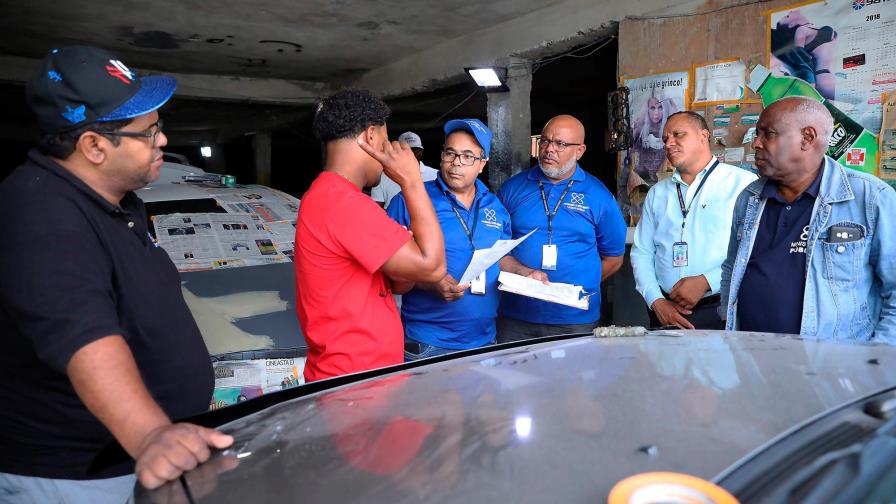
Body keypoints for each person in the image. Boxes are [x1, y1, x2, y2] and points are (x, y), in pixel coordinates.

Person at [0, 46, 232, 498]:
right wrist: (149, 434)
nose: (163, 141)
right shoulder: (39, 212)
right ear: (94, 146)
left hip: (124, 464)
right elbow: (82, 336)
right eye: (148, 133)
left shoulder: (116, 200)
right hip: (74, 477)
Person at [294, 90, 446, 382]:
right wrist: (412, 180)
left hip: (364, 375)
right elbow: (434, 266)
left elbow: (401, 282)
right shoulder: (342, 203)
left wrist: (409, 257)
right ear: (371, 135)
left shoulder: (335, 197)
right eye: (387, 139)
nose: (389, 148)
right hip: (353, 381)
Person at [721, 96, 896, 341]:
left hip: (835, 368)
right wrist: (725, 315)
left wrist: (875, 358)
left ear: (807, 138)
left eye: (767, 134)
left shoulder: (870, 198)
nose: (756, 144)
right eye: (756, 134)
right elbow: (731, 267)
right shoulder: (749, 198)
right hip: (750, 361)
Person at [496, 114, 627, 342]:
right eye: (544, 141)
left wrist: (575, 288)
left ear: (580, 151)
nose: (549, 149)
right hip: (516, 315)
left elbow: (614, 259)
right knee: (514, 377)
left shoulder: (599, 196)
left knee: (572, 378)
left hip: (574, 319)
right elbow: (496, 248)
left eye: (561, 144)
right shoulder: (512, 189)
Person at [387, 119, 509, 360]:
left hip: (484, 341)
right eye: (450, 153)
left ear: (482, 164)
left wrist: (526, 273)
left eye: (467, 156)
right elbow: (390, 270)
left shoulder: (495, 206)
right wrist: (432, 281)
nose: (456, 163)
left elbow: (501, 257)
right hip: (428, 344)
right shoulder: (411, 200)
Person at [631, 111, 756, 329]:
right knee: (663, 364)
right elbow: (642, 252)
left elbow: (755, 250)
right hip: (663, 312)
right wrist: (655, 301)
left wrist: (707, 281)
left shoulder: (742, 184)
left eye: (678, 135)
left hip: (719, 309)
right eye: (665, 139)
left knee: (719, 364)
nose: (669, 144)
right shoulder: (658, 193)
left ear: (703, 135)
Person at [770, 9, 837, 101]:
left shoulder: (814, 28)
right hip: (822, 77)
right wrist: (809, 81)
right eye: (787, 16)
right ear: (791, 24)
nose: (790, 11)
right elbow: (800, 56)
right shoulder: (801, 30)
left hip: (827, 76)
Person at [371, 131, 438, 209]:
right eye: (405, 150)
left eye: (415, 150)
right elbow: (376, 208)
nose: (411, 154)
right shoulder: (383, 176)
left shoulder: (436, 175)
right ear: (397, 152)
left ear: (421, 152)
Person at [631, 87, 678, 184]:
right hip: (643, 181)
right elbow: (631, 153)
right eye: (652, 108)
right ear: (647, 109)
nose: (656, 113)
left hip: (664, 179)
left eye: (660, 107)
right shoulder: (641, 128)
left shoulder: (669, 128)